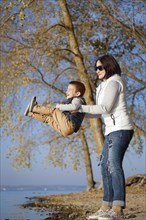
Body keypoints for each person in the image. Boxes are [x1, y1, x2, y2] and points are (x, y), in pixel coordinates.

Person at [79, 55, 134, 220]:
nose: (97, 71)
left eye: (100, 67)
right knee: (104, 166)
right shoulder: (102, 86)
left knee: (113, 165)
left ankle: (117, 209)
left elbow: (106, 107)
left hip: (121, 128)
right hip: (111, 130)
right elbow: (98, 112)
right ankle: (105, 207)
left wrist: (80, 108)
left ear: (109, 66)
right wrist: (78, 114)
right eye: (95, 68)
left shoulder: (115, 82)